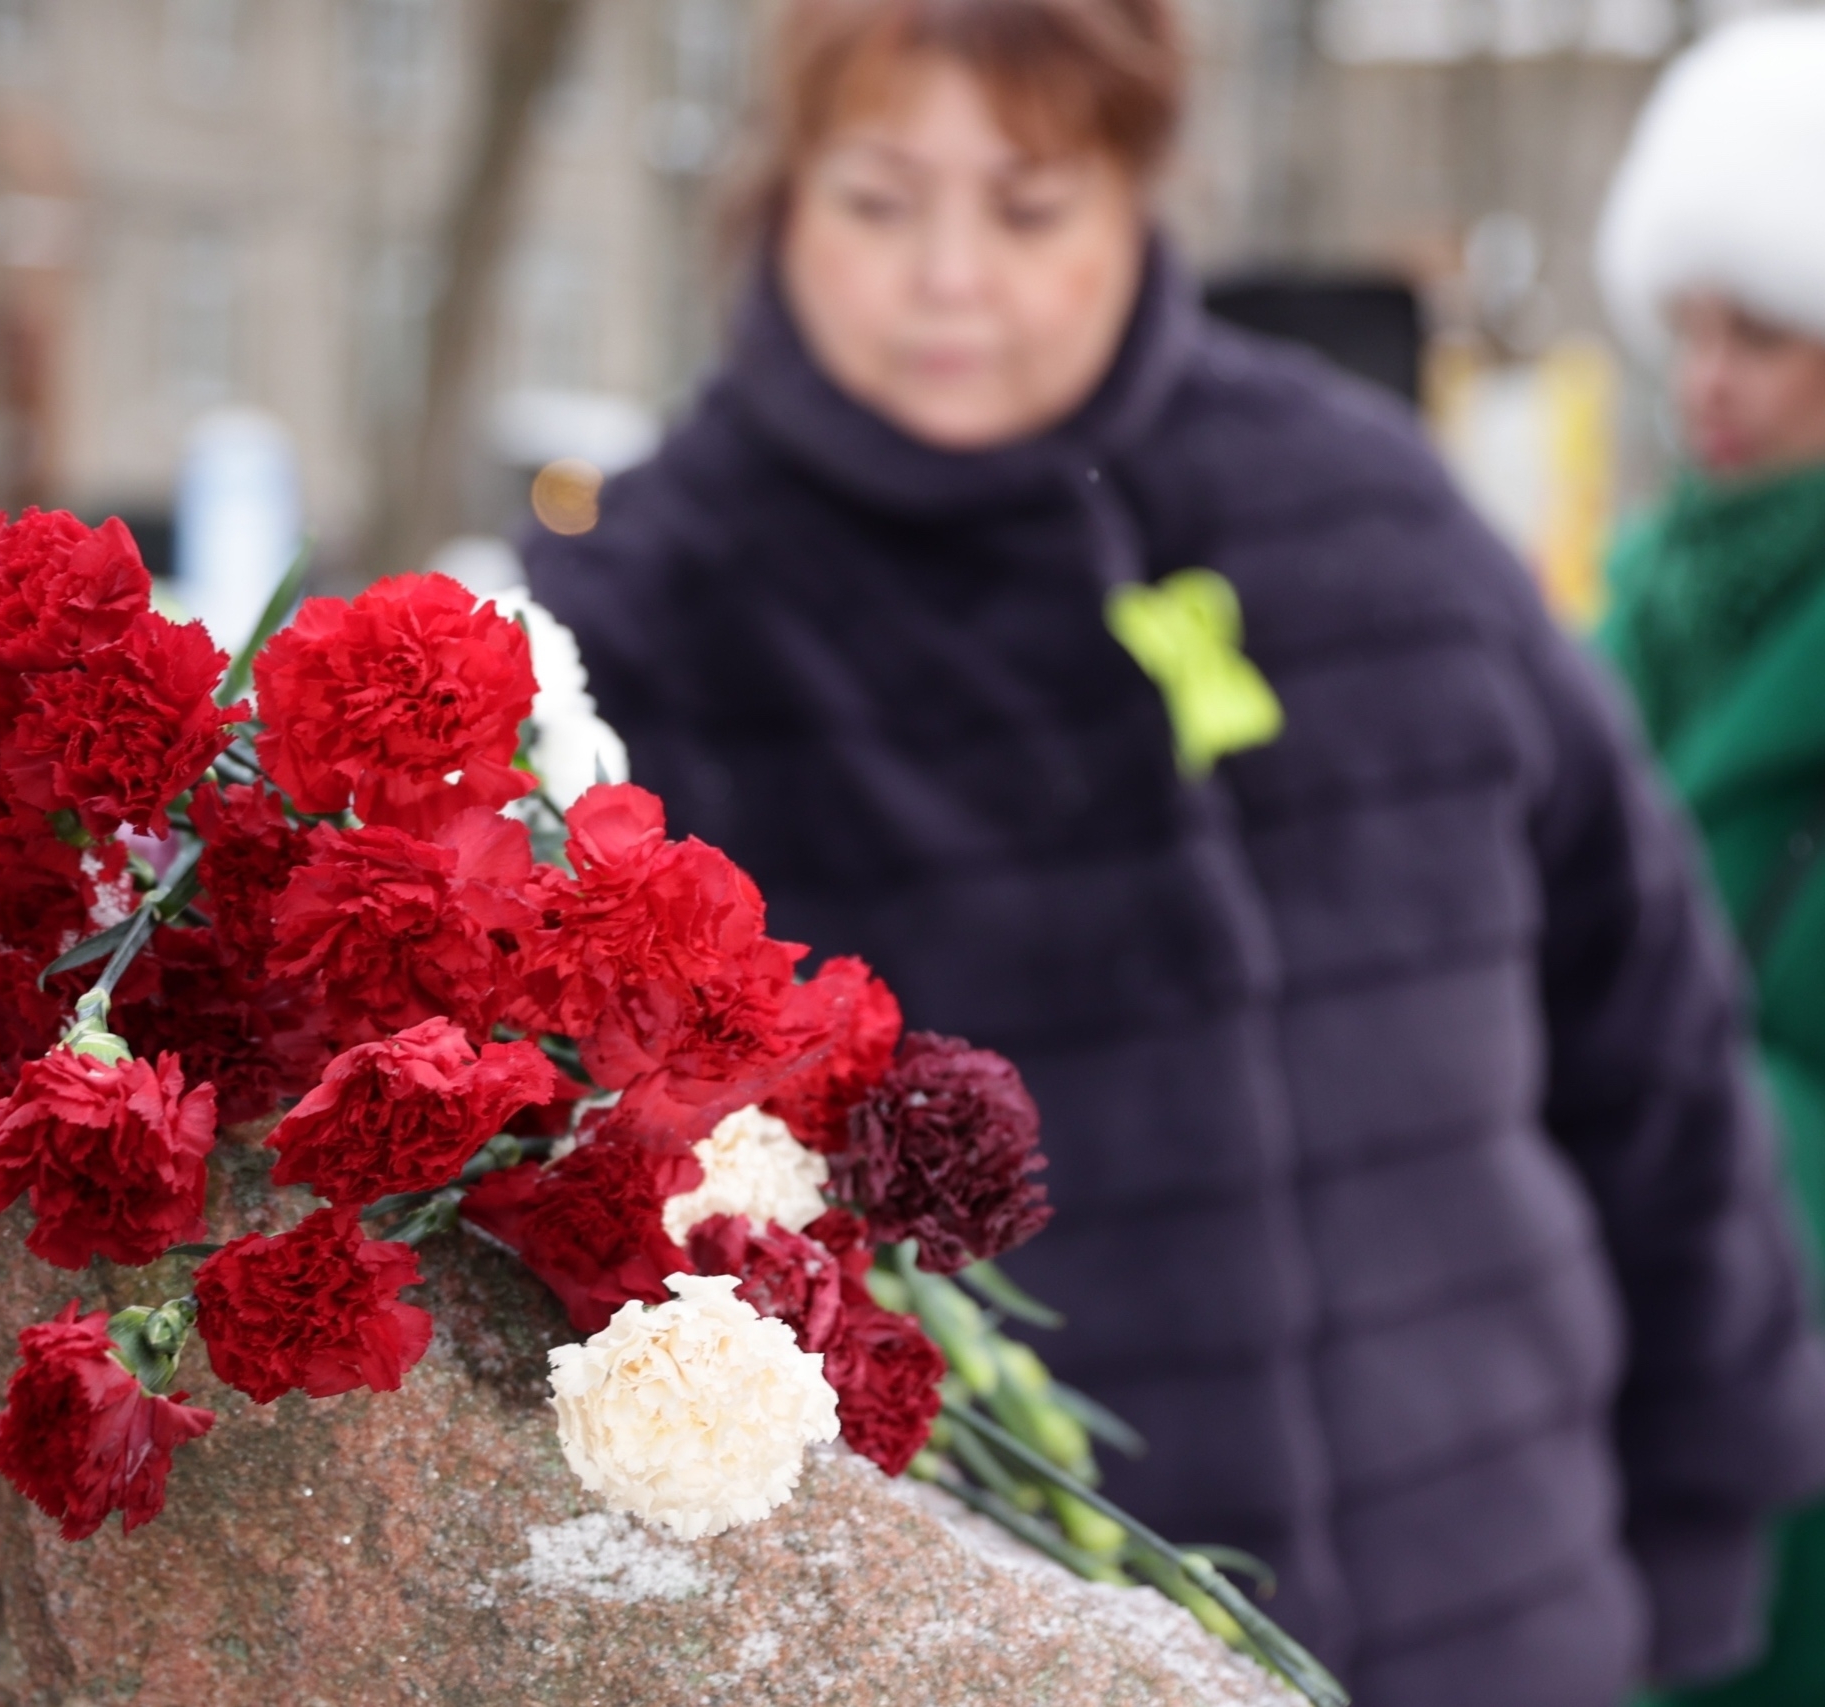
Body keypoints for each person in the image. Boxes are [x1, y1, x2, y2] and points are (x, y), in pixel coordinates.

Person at [521, 2, 1825, 1701]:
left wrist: (1704, 1516)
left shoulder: (1366, 511)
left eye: (1031, 205)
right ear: (781, 191)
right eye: (880, 199)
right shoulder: (654, 620)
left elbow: (1648, 1043)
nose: (952, 278)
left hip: (1513, 1613)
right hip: (1004, 1649)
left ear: (1138, 190)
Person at [1592, 16, 1825, 1705]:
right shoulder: (1641, 604)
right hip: (1625, 1321)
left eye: (1768, 332)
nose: (1713, 381)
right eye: (1691, 330)